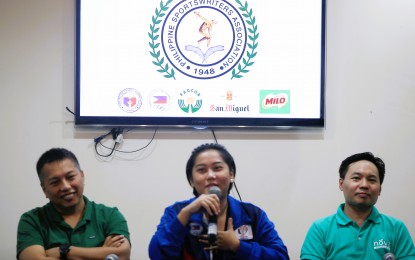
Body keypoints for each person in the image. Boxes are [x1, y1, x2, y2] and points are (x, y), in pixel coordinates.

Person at [148, 143, 289, 259]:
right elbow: (156, 255)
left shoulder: (253, 215)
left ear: (231, 174)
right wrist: (186, 213)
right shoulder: (177, 212)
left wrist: (238, 246)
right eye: (202, 170)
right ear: (191, 180)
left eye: (217, 168)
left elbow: (281, 256)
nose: (210, 175)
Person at [16, 148, 131, 260]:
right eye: (55, 182)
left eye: (70, 177)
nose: (65, 186)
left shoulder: (110, 215)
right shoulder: (32, 220)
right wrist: (101, 253)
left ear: (82, 176)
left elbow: (122, 255)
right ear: (44, 189)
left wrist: (64, 251)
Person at [300, 152, 415, 259]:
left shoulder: (396, 228)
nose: (364, 185)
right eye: (356, 178)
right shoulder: (320, 229)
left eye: (371, 179)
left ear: (380, 189)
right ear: (341, 184)